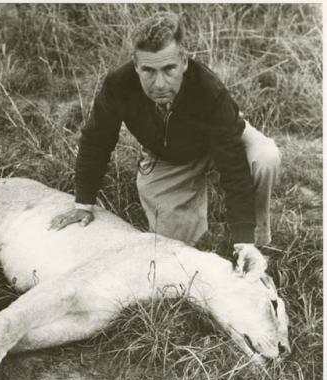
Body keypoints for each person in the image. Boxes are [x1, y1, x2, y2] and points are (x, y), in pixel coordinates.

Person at [49, 11, 280, 251]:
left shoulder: (209, 90)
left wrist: (243, 240)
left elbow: (232, 163)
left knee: (265, 157)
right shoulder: (118, 85)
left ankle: (253, 240)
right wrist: (83, 203)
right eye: (149, 70)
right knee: (175, 249)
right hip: (169, 158)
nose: (159, 84)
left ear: (184, 62)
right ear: (136, 65)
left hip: (221, 138)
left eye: (169, 69)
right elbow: (97, 139)